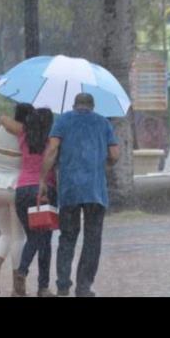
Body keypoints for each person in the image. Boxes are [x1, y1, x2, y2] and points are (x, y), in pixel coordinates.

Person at [38, 93, 119, 297]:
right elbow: (115, 155)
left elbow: (52, 150)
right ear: (92, 106)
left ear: (75, 105)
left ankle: (63, 286)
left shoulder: (63, 120)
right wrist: (102, 164)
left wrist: (42, 180)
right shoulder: (103, 123)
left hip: (70, 190)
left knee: (67, 238)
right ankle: (83, 287)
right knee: (92, 239)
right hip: (95, 190)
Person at [1, 108, 58, 297]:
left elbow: (3, 118)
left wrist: (26, 123)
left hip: (22, 191)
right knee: (43, 240)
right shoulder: (52, 140)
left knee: (35, 238)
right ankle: (34, 280)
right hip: (42, 192)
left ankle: (30, 281)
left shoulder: (24, 134)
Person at [0, 103, 33, 295]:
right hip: (16, 187)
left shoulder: (1, 129)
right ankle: (17, 287)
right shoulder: (25, 134)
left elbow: (6, 121)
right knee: (18, 237)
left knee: (4, 234)